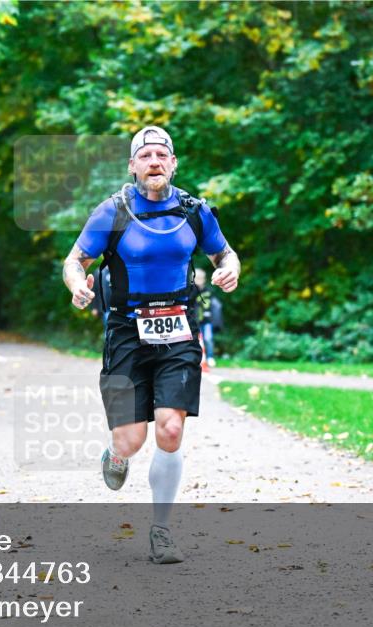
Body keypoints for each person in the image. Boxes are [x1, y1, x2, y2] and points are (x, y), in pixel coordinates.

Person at [61, 126, 241, 564]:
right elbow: (74, 260)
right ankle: (116, 453)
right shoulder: (113, 212)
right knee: (131, 440)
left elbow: (225, 254)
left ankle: (162, 530)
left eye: (162, 154)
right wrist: (76, 287)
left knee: (171, 429)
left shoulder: (195, 212)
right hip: (125, 331)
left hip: (179, 327)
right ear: (133, 165)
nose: (155, 161)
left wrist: (230, 270)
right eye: (146, 155)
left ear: (173, 163)